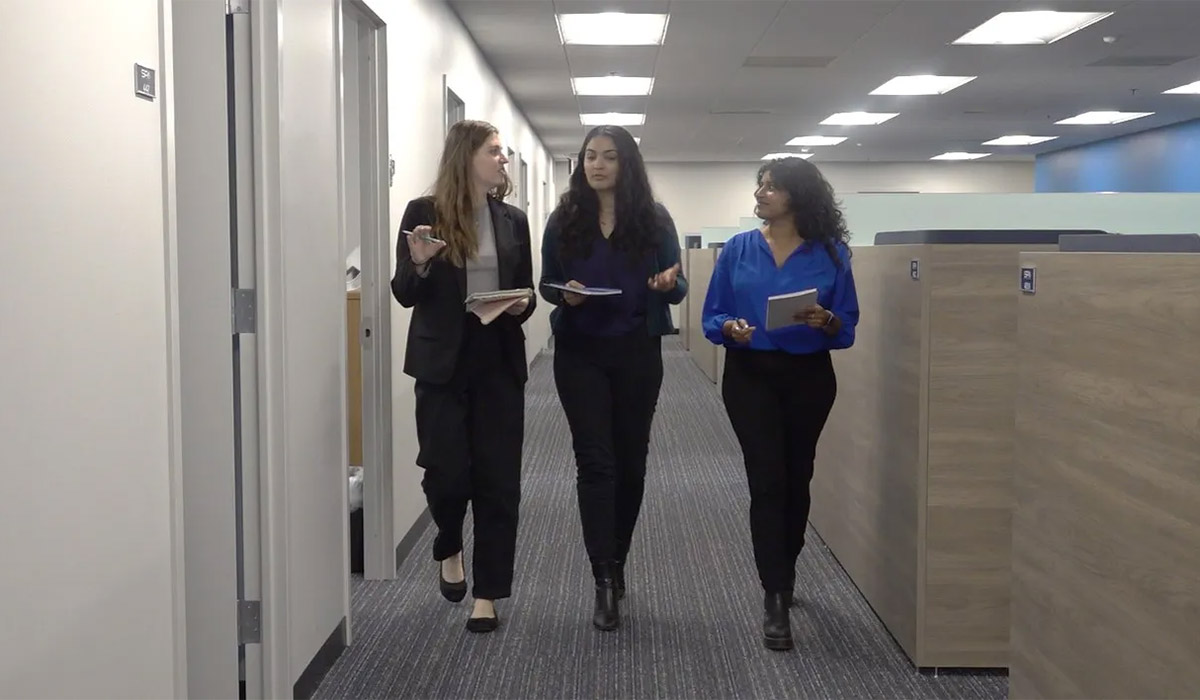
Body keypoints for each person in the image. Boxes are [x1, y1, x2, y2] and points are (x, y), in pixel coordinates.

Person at [700, 156, 859, 651]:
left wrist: (826, 320)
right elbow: (712, 316)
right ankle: (775, 591)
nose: (761, 193)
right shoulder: (738, 249)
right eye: (760, 185)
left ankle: (786, 565)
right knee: (767, 479)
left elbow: (847, 326)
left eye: (772, 186)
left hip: (809, 377)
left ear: (798, 195)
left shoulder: (831, 253)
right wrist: (730, 328)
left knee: (797, 476)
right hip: (750, 376)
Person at [538, 125, 687, 631]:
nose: (596, 165)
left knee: (631, 464)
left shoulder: (653, 218)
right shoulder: (564, 219)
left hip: (636, 352)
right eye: (589, 156)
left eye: (608, 157)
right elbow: (547, 283)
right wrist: (564, 293)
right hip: (579, 352)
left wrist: (667, 283)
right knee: (595, 462)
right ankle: (602, 576)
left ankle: (618, 559)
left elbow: (678, 285)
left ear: (627, 165)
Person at [391, 120, 536, 634]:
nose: (503, 160)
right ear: (466, 156)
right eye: (494, 151)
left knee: (499, 481)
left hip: (498, 360)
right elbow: (404, 292)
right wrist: (419, 264)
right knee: (446, 473)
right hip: (441, 364)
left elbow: (526, 289)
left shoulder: (513, 219)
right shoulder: (423, 213)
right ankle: (449, 540)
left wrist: (520, 303)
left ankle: (488, 593)